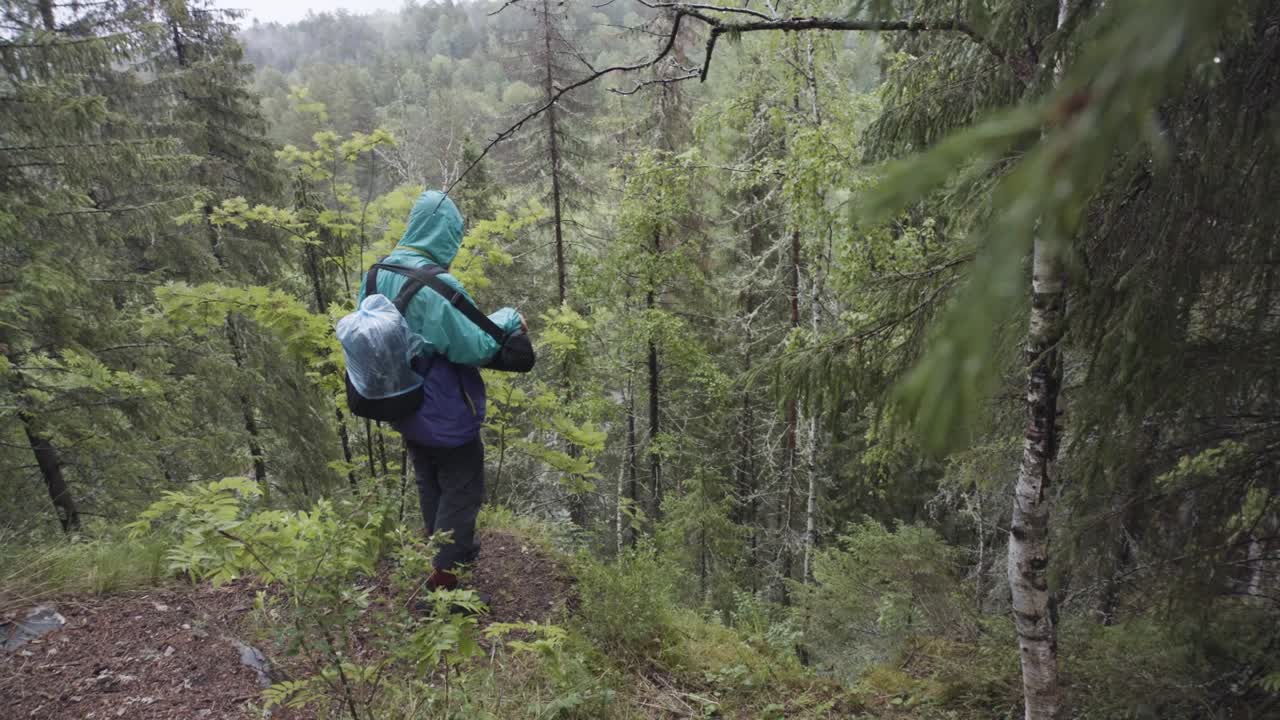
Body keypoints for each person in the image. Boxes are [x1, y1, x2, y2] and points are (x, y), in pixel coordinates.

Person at [358, 190, 531, 595]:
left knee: (428, 477)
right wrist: (508, 318)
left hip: (399, 397)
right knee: (462, 485)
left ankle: (443, 555)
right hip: (443, 405)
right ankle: (446, 585)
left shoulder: (376, 272)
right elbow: (474, 343)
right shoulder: (435, 284)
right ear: (446, 235)